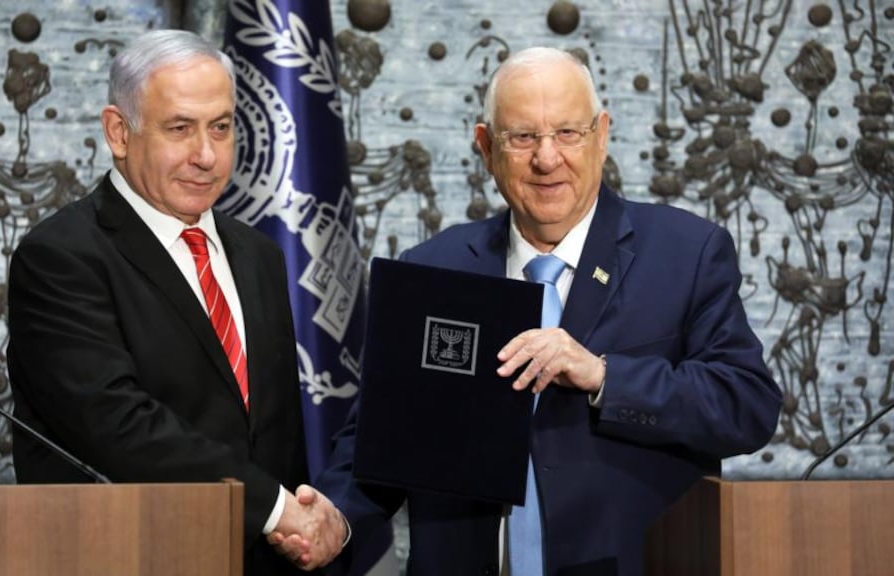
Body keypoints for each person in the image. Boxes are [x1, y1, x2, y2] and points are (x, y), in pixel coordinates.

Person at [275, 47, 783, 575]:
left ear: (602, 135)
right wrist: (337, 519)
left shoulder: (686, 253)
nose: (547, 158)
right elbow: (383, 440)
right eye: (522, 137)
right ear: (485, 146)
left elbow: (746, 405)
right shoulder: (434, 268)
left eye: (568, 133)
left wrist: (604, 377)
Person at [6, 30, 346, 575]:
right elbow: (116, 425)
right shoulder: (60, 257)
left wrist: (302, 525)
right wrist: (276, 508)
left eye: (221, 127)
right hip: (127, 558)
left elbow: (273, 437)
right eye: (180, 128)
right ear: (119, 132)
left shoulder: (258, 255)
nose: (206, 155)